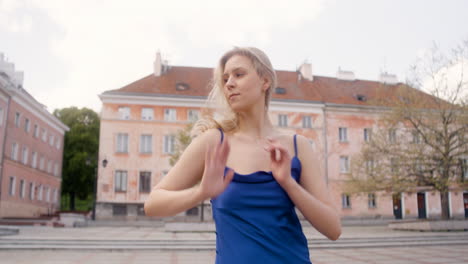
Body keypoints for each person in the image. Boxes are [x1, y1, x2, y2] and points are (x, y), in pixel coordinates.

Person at [144, 47, 341, 263]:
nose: (229, 83)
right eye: (225, 78)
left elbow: (333, 229)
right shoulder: (214, 141)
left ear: (265, 81)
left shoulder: (297, 146)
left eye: (239, 74)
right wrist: (200, 192)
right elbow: (153, 204)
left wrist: (288, 183)